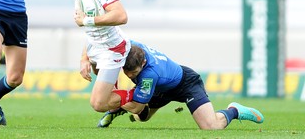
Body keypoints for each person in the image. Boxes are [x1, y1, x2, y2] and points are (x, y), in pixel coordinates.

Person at [45, 0, 134, 113]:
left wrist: (86, 21)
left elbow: (122, 16)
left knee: (99, 104)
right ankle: (129, 105)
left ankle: (142, 96)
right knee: (108, 96)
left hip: (112, 47)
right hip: (95, 45)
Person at [97, 40, 265, 129]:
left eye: (132, 73)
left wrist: (113, 97)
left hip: (186, 84)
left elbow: (135, 107)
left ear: (143, 63)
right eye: (126, 71)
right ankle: (117, 110)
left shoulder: (149, 75)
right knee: (142, 118)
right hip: (162, 86)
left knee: (211, 127)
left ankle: (234, 111)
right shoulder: (131, 47)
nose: (128, 75)